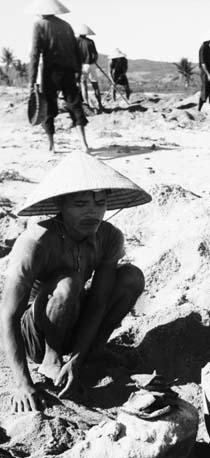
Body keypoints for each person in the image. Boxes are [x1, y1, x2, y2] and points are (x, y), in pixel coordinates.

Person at [0, 151, 151, 413]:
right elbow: (8, 315)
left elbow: (99, 302)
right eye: (80, 205)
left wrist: (79, 358)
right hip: (36, 331)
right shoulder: (35, 242)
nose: (93, 212)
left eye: (100, 203)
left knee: (131, 277)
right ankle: (52, 356)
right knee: (69, 283)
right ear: (61, 205)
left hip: (76, 318)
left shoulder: (109, 237)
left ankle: (94, 349)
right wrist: (22, 383)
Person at [29, 0, 89, 153]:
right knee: (74, 105)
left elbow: (35, 54)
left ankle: (51, 145)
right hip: (68, 71)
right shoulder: (66, 25)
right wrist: (78, 72)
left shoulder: (39, 25)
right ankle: (84, 143)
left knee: (48, 107)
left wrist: (32, 80)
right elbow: (76, 51)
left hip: (50, 71)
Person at [77, 23, 103, 113]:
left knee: (83, 85)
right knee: (95, 85)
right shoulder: (90, 41)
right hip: (92, 64)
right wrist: (93, 60)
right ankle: (100, 104)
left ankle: (86, 103)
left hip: (82, 65)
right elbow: (95, 55)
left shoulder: (76, 41)